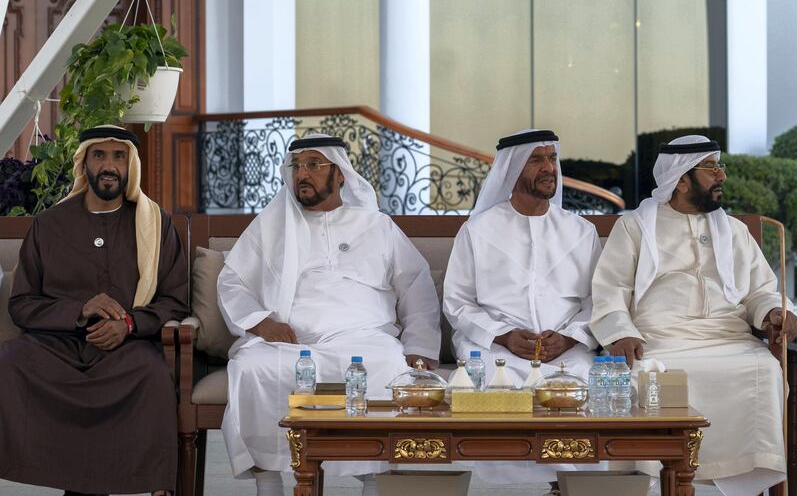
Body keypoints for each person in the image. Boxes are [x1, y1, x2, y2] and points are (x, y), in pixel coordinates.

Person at [218, 134, 441, 496]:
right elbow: (232, 282)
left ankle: (373, 482)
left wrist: (420, 346)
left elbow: (416, 286)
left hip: (363, 339)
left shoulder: (376, 226)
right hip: (291, 344)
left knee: (385, 362)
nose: (303, 174)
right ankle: (268, 482)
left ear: (340, 175)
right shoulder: (271, 225)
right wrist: (262, 323)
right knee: (250, 367)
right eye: (297, 166)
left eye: (314, 165)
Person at [591, 135, 797, 496]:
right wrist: (621, 332)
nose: (722, 176)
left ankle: (751, 473)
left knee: (765, 368)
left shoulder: (733, 230)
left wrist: (773, 312)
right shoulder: (636, 227)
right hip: (660, 340)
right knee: (646, 372)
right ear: (681, 179)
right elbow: (610, 290)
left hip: (729, 338)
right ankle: (658, 477)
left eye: (721, 167)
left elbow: (760, 290)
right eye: (712, 168)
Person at [0, 125, 189, 496]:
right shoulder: (50, 225)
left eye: (119, 156)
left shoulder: (157, 224)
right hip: (56, 345)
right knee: (9, 362)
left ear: (130, 166)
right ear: (83, 162)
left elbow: (174, 300)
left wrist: (130, 324)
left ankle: (156, 485)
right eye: (99, 155)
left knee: (152, 375)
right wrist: (78, 310)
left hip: (127, 347)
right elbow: (22, 304)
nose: (109, 165)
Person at [444, 129, 603, 491]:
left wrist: (569, 337)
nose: (549, 167)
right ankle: (508, 489)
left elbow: (599, 301)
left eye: (552, 158)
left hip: (566, 352)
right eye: (537, 159)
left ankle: (568, 486)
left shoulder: (581, 231)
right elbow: (457, 301)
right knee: (485, 392)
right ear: (512, 169)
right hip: (495, 349)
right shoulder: (478, 230)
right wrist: (502, 335)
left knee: (585, 391)